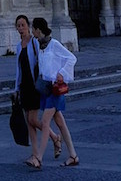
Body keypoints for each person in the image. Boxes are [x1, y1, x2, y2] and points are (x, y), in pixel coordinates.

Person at [27, 16, 79, 168]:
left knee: (44, 121)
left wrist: (62, 73)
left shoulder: (54, 44)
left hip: (55, 89)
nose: (32, 32)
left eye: (33, 29)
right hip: (45, 88)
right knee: (61, 124)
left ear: (38, 29)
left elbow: (71, 58)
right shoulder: (40, 45)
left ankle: (38, 158)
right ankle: (73, 155)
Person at [13, 15, 62, 163]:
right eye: (18, 26)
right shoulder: (18, 45)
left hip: (35, 85)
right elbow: (18, 69)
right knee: (30, 123)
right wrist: (16, 88)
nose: (20, 28)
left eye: (23, 25)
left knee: (33, 119)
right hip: (24, 86)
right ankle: (35, 153)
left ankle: (54, 137)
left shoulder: (34, 42)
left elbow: (43, 60)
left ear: (28, 26)